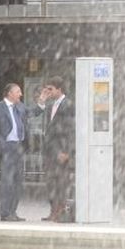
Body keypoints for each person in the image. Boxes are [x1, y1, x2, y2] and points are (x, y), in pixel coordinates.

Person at [0, 83, 26, 221]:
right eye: (18, 91)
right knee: (7, 181)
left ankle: (13, 212)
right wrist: (3, 145)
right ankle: (5, 213)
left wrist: (42, 102)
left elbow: (32, 113)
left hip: (18, 146)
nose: (20, 94)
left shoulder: (19, 107)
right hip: (7, 147)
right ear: (9, 93)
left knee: (18, 181)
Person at [39, 81, 74, 222]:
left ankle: (60, 211)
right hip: (51, 150)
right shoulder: (51, 105)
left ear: (59, 89)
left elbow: (71, 129)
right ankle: (53, 210)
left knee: (61, 183)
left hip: (61, 149)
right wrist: (42, 100)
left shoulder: (68, 104)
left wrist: (66, 151)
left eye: (50, 89)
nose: (48, 92)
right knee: (51, 182)